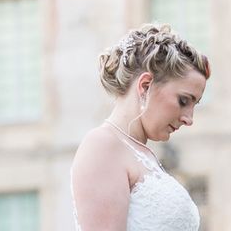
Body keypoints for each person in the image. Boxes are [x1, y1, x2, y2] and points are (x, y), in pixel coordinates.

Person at [70, 23, 211, 231]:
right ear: (145, 85)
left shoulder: (143, 155)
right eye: (183, 101)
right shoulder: (103, 146)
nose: (189, 119)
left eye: (194, 105)